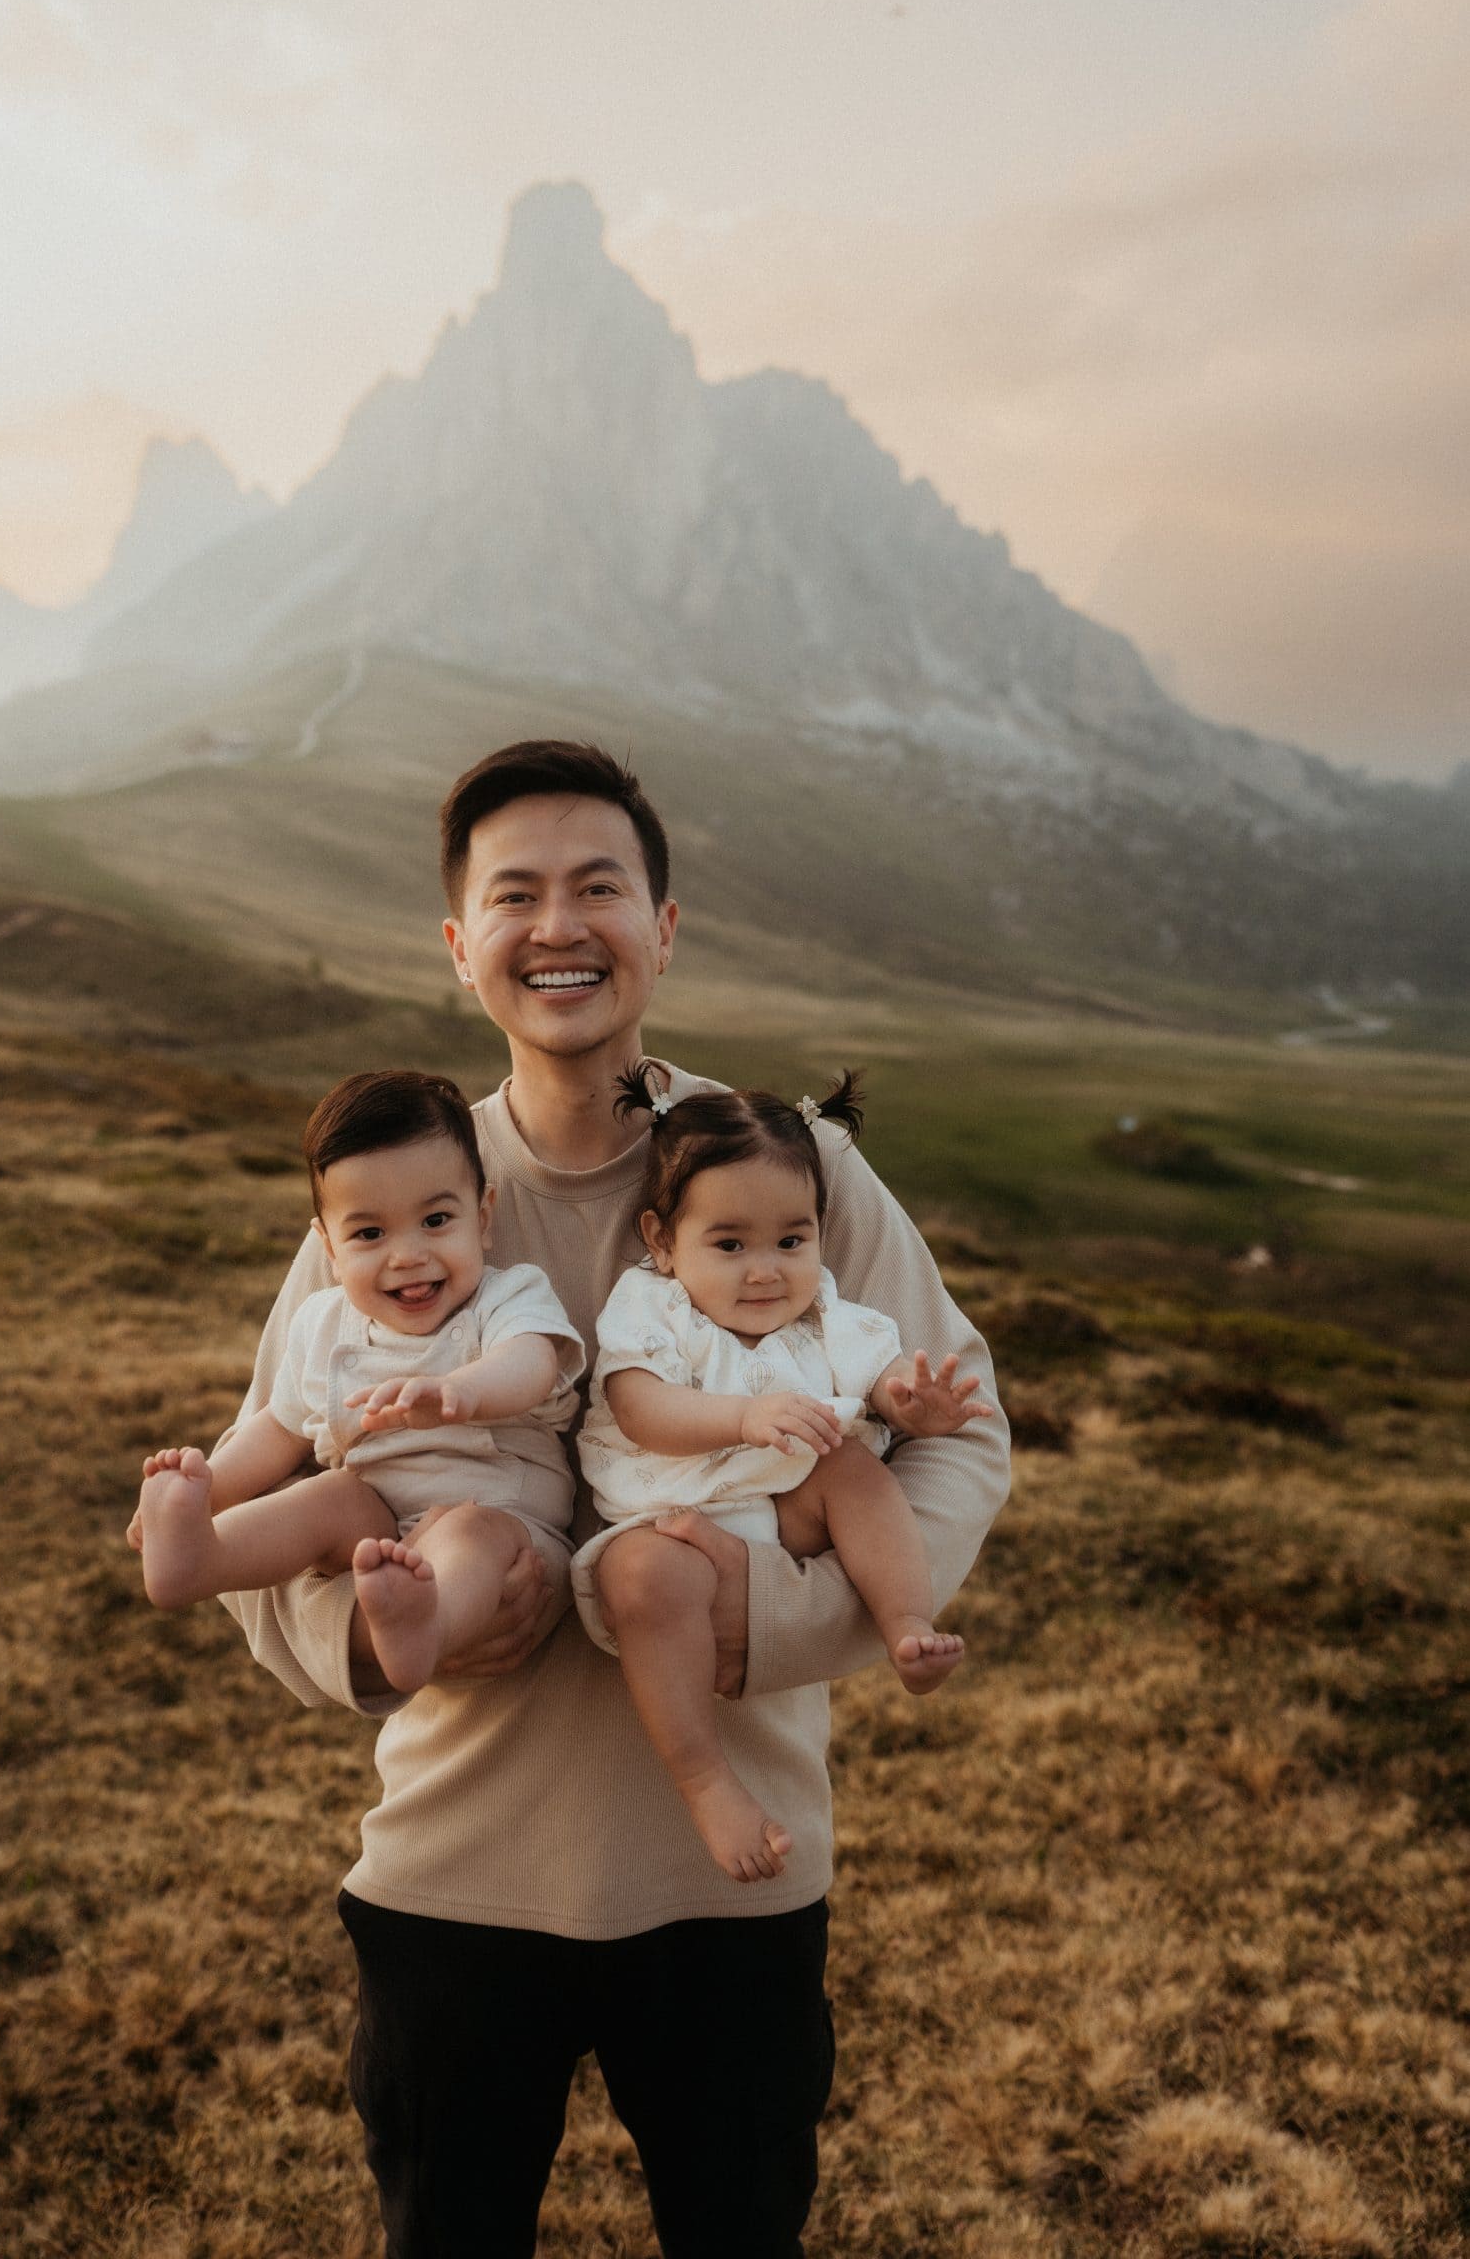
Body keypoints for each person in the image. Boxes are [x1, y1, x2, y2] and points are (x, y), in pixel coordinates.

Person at [213, 739, 1010, 2259]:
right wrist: (386, 1647)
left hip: (732, 1881)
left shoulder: (792, 1166)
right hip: (452, 1874)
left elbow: (960, 1436)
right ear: (460, 947)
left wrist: (755, 1615)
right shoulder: (396, 1191)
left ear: (664, 926)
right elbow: (283, 1463)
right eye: (515, 895)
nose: (558, 925)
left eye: (599, 887)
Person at [573, 1063, 993, 1881]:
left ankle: (906, 1621)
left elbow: (882, 1382)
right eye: (728, 1245)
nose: (766, 1271)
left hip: (783, 1513)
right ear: (661, 1240)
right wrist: (740, 1417)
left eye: (790, 1242)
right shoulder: (650, 1306)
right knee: (640, 1583)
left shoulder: (829, 1312)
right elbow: (639, 1409)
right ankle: (705, 1780)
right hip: (669, 1516)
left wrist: (915, 1410)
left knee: (854, 1471)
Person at [128, 1070, 581, 1694]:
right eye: (370, 1233)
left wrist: (463, 1392)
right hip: (378, 1521)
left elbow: (532, 1362)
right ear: (330, 1251)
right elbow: (279, 1430)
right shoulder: (324, 1325)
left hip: (506, 1521)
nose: (407, 1255)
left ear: (483, 1218)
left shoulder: (507, 1298)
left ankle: (426, 1623)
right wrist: (208, 1489)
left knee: (470, 1535)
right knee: (327, 1498)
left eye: (435, 1220)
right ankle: (200, 1556)